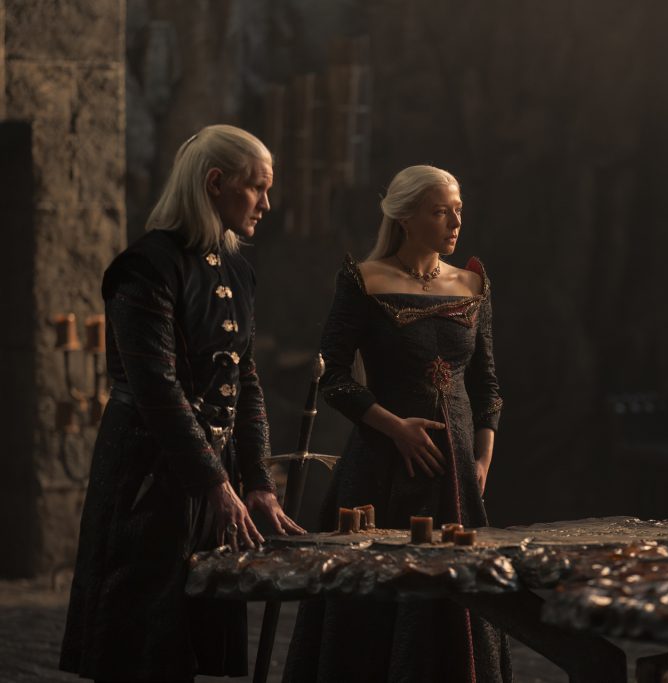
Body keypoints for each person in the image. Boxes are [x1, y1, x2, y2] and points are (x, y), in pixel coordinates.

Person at [60, 124, 304, 683]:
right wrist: (214, 482)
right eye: (257, 187)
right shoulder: (145, 267)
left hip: (210, 477)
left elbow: (245, 380)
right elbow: (157, 388)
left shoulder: (238, 270)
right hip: (146, 475)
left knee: (193, 638)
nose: (267, 203)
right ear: (215, 183)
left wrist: (257, 482)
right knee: (143, 644)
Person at [283, 165, 511, 682]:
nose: (455, 221)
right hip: (380, 471)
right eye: (440, 212)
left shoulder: (472, 283)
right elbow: (334, 376)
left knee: (457, 606)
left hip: (456, 478)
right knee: (375, 609)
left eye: (458, 210)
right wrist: (395, 428)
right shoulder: (364, 280)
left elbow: (487, 386)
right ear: (406, 218)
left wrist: (481, 459)